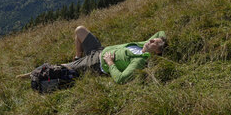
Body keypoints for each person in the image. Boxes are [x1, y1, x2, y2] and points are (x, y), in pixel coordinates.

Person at [17, 26, 167, 84]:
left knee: (60, 68)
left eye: (154, 42)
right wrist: (163, 41)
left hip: (97, 63)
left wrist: (110, 63)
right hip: (99, 50)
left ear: (157, 52)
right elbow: (161, 33)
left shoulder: (139, 61)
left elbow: (122, 79)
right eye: (152, 39)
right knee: (79, 30)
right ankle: (77, 58)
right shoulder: (143, 45)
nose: (152, 39)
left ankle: (31, 74)